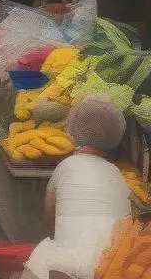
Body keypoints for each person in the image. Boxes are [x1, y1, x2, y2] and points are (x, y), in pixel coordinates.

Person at [23, 95, 131, 279]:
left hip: (68, 266)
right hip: (115, 264)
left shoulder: (66, 166)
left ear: (74, 131)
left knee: (42, 254)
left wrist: (51, 230)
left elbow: (48, 213)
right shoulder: (116, 173)